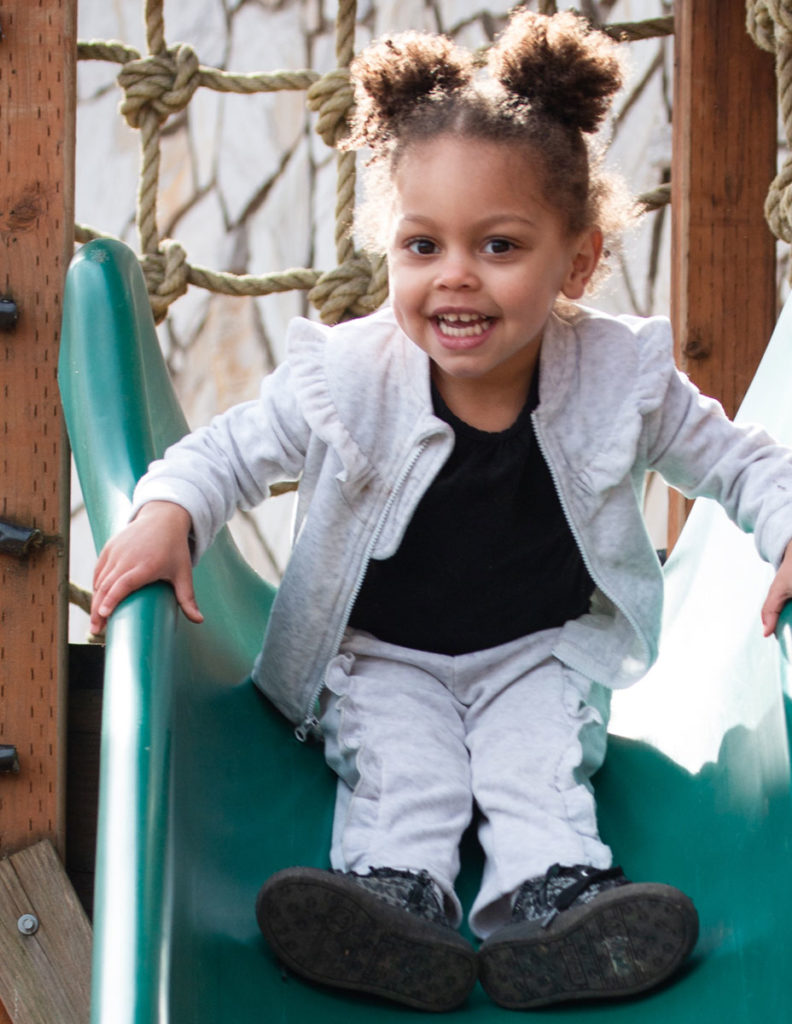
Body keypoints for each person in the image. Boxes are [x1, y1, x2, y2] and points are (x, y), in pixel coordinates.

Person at [89, 9, 792, 1014]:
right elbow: (229, 452)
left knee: (539, 768)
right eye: (423, 244)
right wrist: (171, 512)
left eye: (498, 245)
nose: (454, 275)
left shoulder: (617, 374)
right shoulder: (349, 375)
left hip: (538, 648)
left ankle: (554, 914)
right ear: (392, 249)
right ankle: (392, 908)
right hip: (379, 651)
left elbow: (735, 458)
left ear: (577, 262)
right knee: (404, 770)